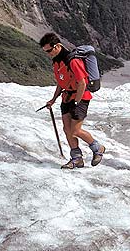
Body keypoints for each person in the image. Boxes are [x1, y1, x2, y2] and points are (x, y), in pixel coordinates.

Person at [39, 33, 105, 169]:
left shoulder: (72, 60)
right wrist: (53, 99)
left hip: (80, 98)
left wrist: (77, 101)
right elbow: (61, 82)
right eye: (45, 51)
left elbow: (82, 83)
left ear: (57, 46)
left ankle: (98, 148)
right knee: (67, 129)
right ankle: (76, 159)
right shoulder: (57, 61)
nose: (48, 54)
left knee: (75, 130)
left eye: (49, 50)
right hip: (67, 97)